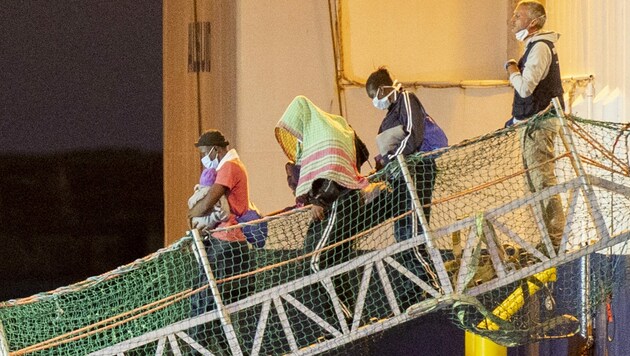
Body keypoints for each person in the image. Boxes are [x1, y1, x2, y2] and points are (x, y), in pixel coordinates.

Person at [276, 95, 371, 327]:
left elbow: (333, 168)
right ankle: (344, 321)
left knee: (316, 263)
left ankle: (343, 320)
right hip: (337, 202)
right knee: (331, 263)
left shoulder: (326, 134)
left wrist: (319, 198)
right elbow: (363, 153)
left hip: (338, 202)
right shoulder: (339, 127)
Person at [504, 0, 565, 252]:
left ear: (533, 22)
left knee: (542, 180)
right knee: (535, 182)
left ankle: (553, 238)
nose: (513, 20)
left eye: (518, 16)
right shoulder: (533, 47)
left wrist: (511, 69)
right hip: (531, 124)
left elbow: (526, 88)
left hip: (540, 125)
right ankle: (548, 237)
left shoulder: (540, 47)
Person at [188, 129, 254, 316]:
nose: (203, 159)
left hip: (226, 240)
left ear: (215, 150)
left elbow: (209, 201)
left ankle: (198, 342)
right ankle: (218, 343)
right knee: (220, 302)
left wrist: (191, 214)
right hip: (230, 240)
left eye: (204, 153)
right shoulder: (231, 166)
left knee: (206, 300)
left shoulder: (229, 167)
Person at [188, 166, 229, 231]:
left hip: (195, 223)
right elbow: (225, 214)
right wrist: (216, 217)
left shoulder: (195, 195)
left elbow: (191, 206)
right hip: (209, 225)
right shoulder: (217, 194)